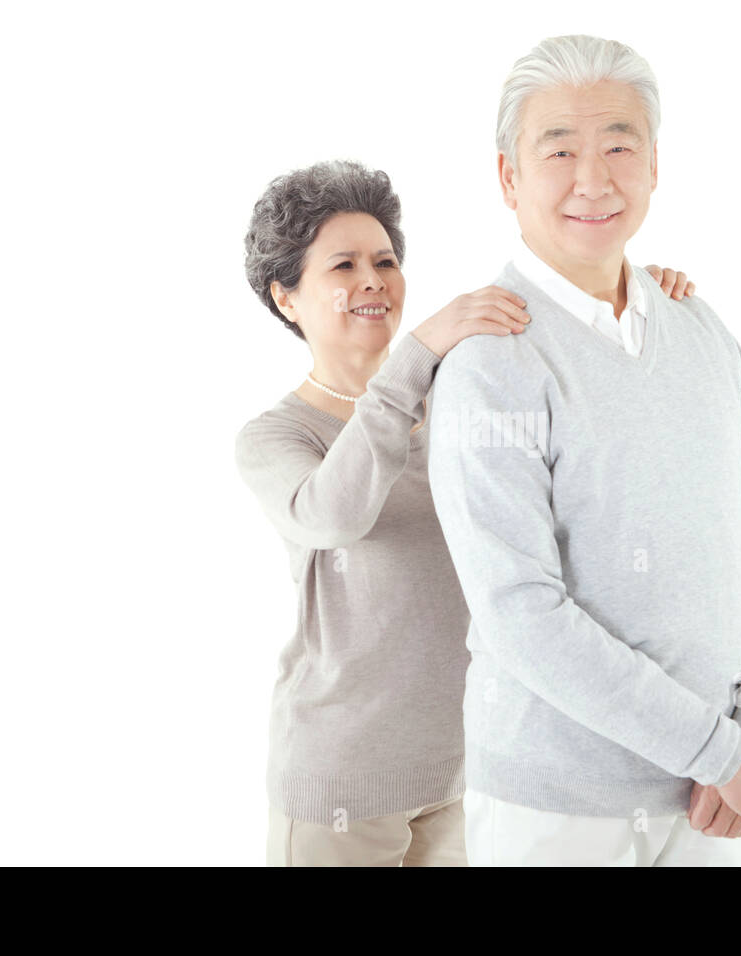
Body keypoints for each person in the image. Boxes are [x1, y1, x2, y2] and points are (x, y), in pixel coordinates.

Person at [235, 157, 699, 866]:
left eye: (385, 260)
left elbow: (579, 447)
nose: (373, 280)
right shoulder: (277, 437)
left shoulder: (457, 395)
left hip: (465, 776)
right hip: (340, 787)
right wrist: (416, 353)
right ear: (286, 297)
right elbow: (333, 516)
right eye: (343, 265)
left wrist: (635, 304)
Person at [426, 34, 741, 867]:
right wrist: (725, 753)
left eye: (619, 146)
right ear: (508, 178)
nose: (593, 179)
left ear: (655, 165)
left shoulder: (703, 332)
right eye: (558, 150)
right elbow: (521, 613)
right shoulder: (492, 362)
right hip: (557, 815)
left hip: (714, 806)